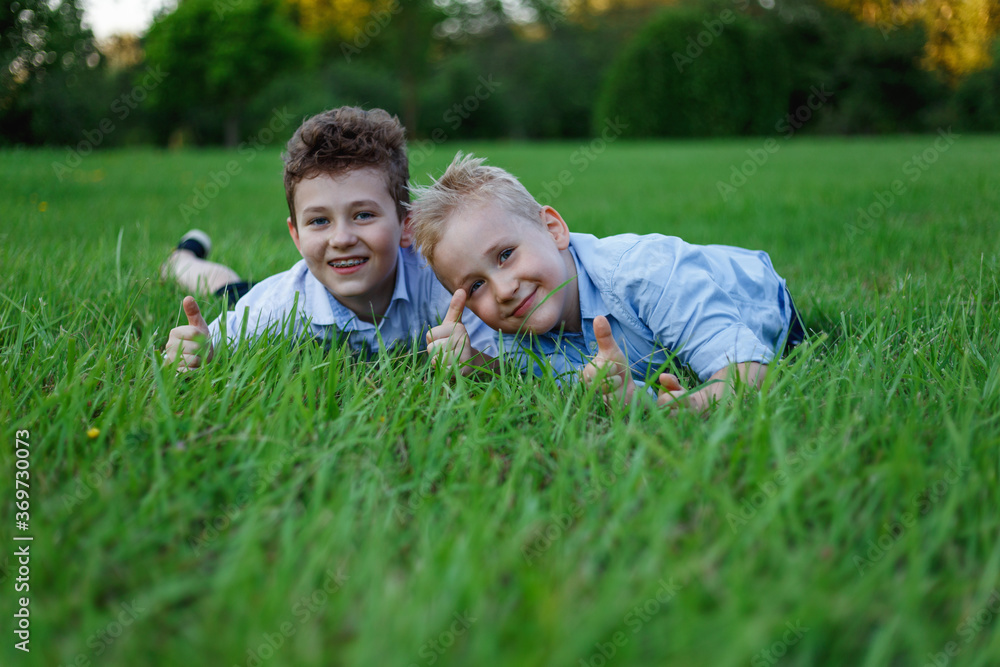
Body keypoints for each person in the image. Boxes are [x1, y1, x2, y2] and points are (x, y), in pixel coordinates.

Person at [412, 153, 805, 412]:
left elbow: (753, 376)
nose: (503, 289)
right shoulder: (510, 334)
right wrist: (477, 366)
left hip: (758, 295)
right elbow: (533, 380)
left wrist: (680, 410)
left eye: (505, 255)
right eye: (475, 286)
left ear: (553, 228)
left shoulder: (644, 275)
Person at [162, 108, 496, 370]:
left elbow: (512, 356)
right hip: (292, 292)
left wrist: (475, 360)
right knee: (228, 289)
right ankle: (182, 260)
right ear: (296, 235)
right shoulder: (279, 306)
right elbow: (207, 346)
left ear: (406, 224)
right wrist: (197, 350)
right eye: (319, 220)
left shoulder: (441, 285)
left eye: (363, 215)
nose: (342, 238)